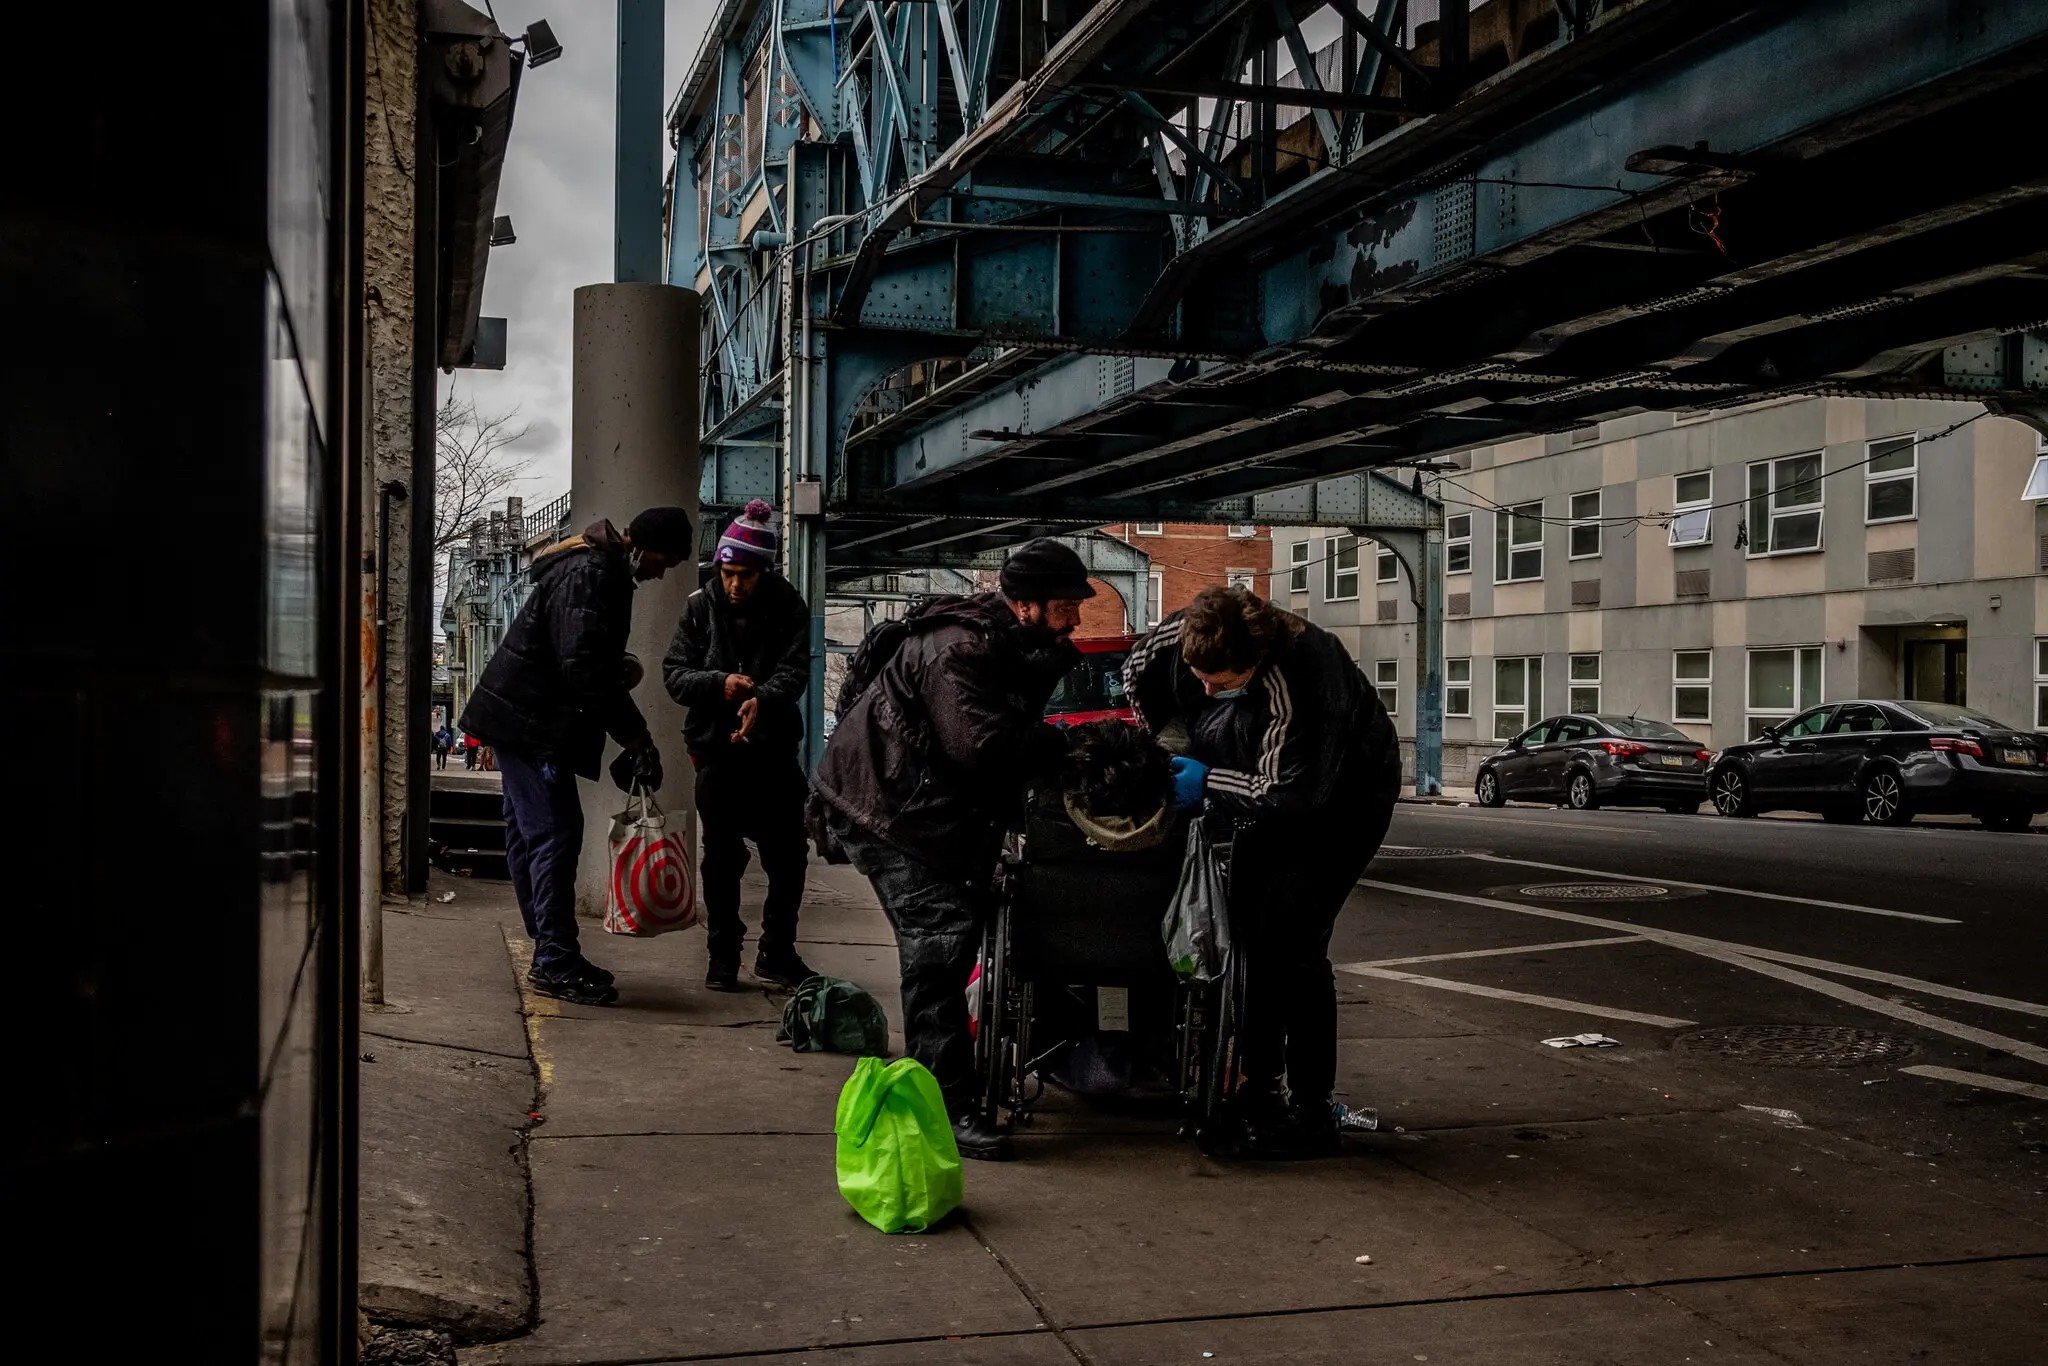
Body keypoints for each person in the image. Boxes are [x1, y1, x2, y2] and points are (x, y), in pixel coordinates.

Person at [811, 539, 1093, 1160]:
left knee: (959, 928)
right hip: (887, 807)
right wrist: (1061, 744)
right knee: (938, 940)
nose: (1076, 617)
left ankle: (960, 1078)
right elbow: (980, 746)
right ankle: (946, 1106)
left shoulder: (1012, 645)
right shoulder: (957, 650)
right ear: (1026, 604)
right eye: (1066, 605)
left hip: (923, 805)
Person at [1124, 584, 1402, 1158]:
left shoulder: (1305, 676)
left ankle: (1310, 1110)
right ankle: (1259, 1088)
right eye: (1199, 677)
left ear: (1254, 661)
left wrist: (1209, 780)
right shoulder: (1181, 634)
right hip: (1258, 768)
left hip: (1341, 797)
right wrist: (1169, 739)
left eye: (1221, 681)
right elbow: (1136, 673)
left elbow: (1290, 792)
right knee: (1249, 932)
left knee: (1294, 943)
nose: (1206, 690)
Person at [458, 508, 693, 1006]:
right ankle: (555, 959)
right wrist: (635, 735)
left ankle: (551, 949)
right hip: (533, 725)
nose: (660, 574)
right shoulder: (591, 574)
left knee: (532, 836)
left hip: (523, 720)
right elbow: (582, 667)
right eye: (663, 562)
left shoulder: (595, 569)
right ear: (643, 546)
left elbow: (581, 656)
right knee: (555, 835)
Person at [662, 499, 816, 992]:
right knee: (721, 860)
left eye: (745, 576)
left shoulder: (789, 606)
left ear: (763, 572)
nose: (734, 584)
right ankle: (723, 957)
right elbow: (674, 674)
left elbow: (795, 671)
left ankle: (777, 952)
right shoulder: (699, 607)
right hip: (716, 754)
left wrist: (761, 700)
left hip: (773, 754)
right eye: (728, 574)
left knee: (788, 857)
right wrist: (719, 685)